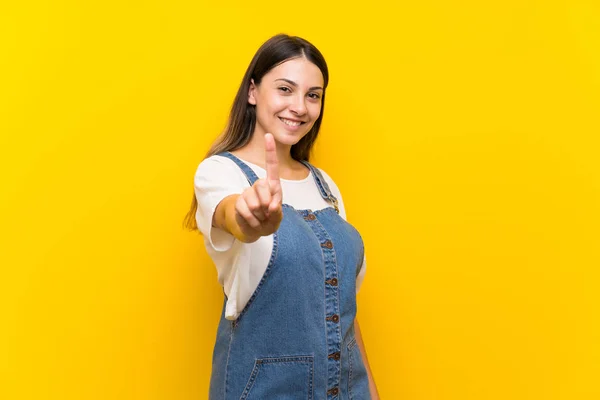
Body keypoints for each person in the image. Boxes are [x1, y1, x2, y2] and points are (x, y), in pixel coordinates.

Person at [184, 33, 379, 399]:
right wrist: (254, 219)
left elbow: (342, 313)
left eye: (313, 95)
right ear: (253, 91)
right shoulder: (219, 173)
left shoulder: (326, 187)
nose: (300, 107)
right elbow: (234, 217)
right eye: (285, 89)